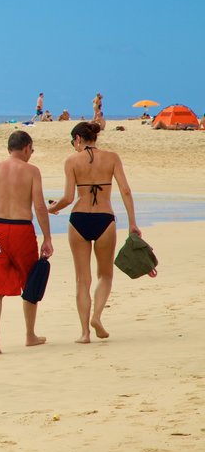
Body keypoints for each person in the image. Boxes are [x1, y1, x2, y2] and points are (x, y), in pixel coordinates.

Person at [48, 122, 140, 344]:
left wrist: (53, 208)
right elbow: (125, 190)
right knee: (105, 275)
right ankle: (97, 316)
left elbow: (69, 198)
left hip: (79, 219)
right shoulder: (112, 158)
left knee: (82, 279)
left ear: (78, 138)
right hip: (104, 219)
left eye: (73, 142)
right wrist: (132, 223)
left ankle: (84, 334)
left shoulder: (71, 161)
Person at [0, 130, 53, 355]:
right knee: (30, 282)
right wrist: (47, 237)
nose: (31, 154)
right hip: (22, 229)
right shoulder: (31, 171)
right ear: (26, 148)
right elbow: (40, 206)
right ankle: (30, 335)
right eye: (31, 150)